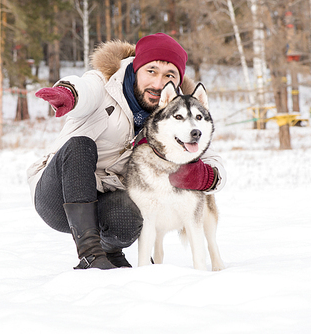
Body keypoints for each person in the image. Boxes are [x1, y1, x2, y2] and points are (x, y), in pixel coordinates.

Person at [27, 33, 226, 270]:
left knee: (133, 212)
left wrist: (207, 176)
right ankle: (91, 255)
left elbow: (211, 158)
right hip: (59, 192)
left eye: (168, 75)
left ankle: (110, 251)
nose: (158, 82)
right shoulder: (105, 84)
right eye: (151, 71)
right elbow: (85, 90)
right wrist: (69, 94)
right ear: (136, 67)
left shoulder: (177, 112)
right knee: (81, 144)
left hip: (109, 195)